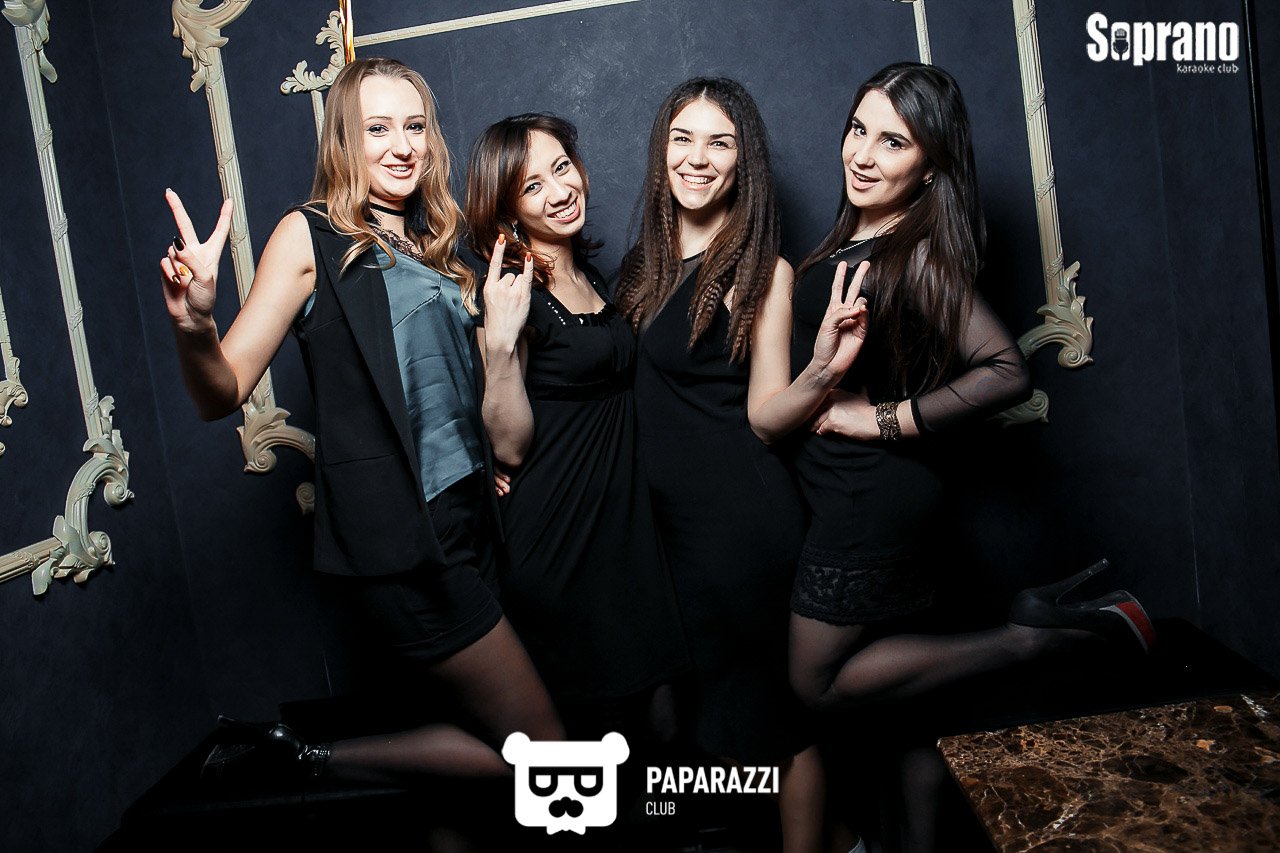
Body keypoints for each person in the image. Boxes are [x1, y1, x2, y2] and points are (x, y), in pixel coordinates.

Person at [160, 57, 563, 783]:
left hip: (468, 522)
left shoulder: (434, 247)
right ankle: (307, 758)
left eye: (415, 126)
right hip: (404, 545)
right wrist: (195, 327)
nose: (401, 146)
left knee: (469, 755)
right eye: (378, 128)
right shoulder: (309, 235)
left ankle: (315, 760)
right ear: (344, 139)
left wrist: (482, 457)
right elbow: (223, 391)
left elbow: (442, 391)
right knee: (543, 754)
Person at [744, 62, 1155, 717]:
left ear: (931, 166)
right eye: (859, 129)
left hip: (867, 500)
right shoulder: (859, 236)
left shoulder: (915, 253)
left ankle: (1037, 638)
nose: (862, 155)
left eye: (893, 142)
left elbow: (1005, 370)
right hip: (846, 494)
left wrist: (880, 418)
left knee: (813, 684)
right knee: (907, 717)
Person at [616, 77, 834, 853]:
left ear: (745, 162)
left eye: (720, 142)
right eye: (683, 138)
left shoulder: (761, 269)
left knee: (775, 721)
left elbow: (767, 411)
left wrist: (824, 373)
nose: (697, 158)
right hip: (666, 535)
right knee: (706, 723)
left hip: (739, 528)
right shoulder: (641, 268)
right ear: (662, 150)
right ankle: (840, 837)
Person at [462, 113, 688, 736]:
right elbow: (510, 446)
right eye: (532, 186)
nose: (559, 191)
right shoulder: (510, 294)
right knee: (600, 726)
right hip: (560, 531)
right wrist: (500, 346)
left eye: (562, 168)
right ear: (507, 210)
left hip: (623, 531)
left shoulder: (591, 277)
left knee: (661, 717)